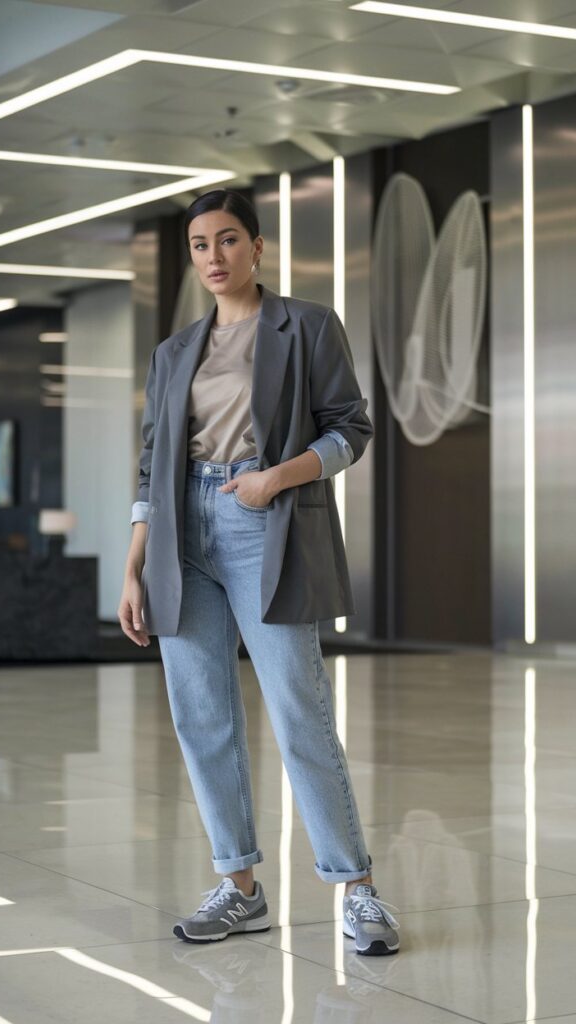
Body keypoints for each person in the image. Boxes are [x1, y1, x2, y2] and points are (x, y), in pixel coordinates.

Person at [118, 188, 400, 956]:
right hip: (180, 532)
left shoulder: (305, 326)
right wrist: (134, 563)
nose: (213, 257)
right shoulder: (174, 352)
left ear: (257, 247)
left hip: (264, 520)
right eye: (200, 245)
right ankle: (238, 888)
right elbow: (150, 461)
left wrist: (277, 478)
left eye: (228, 240)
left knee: (298, 708)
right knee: (201, 714)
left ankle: (356, 888)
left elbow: (352, 428)